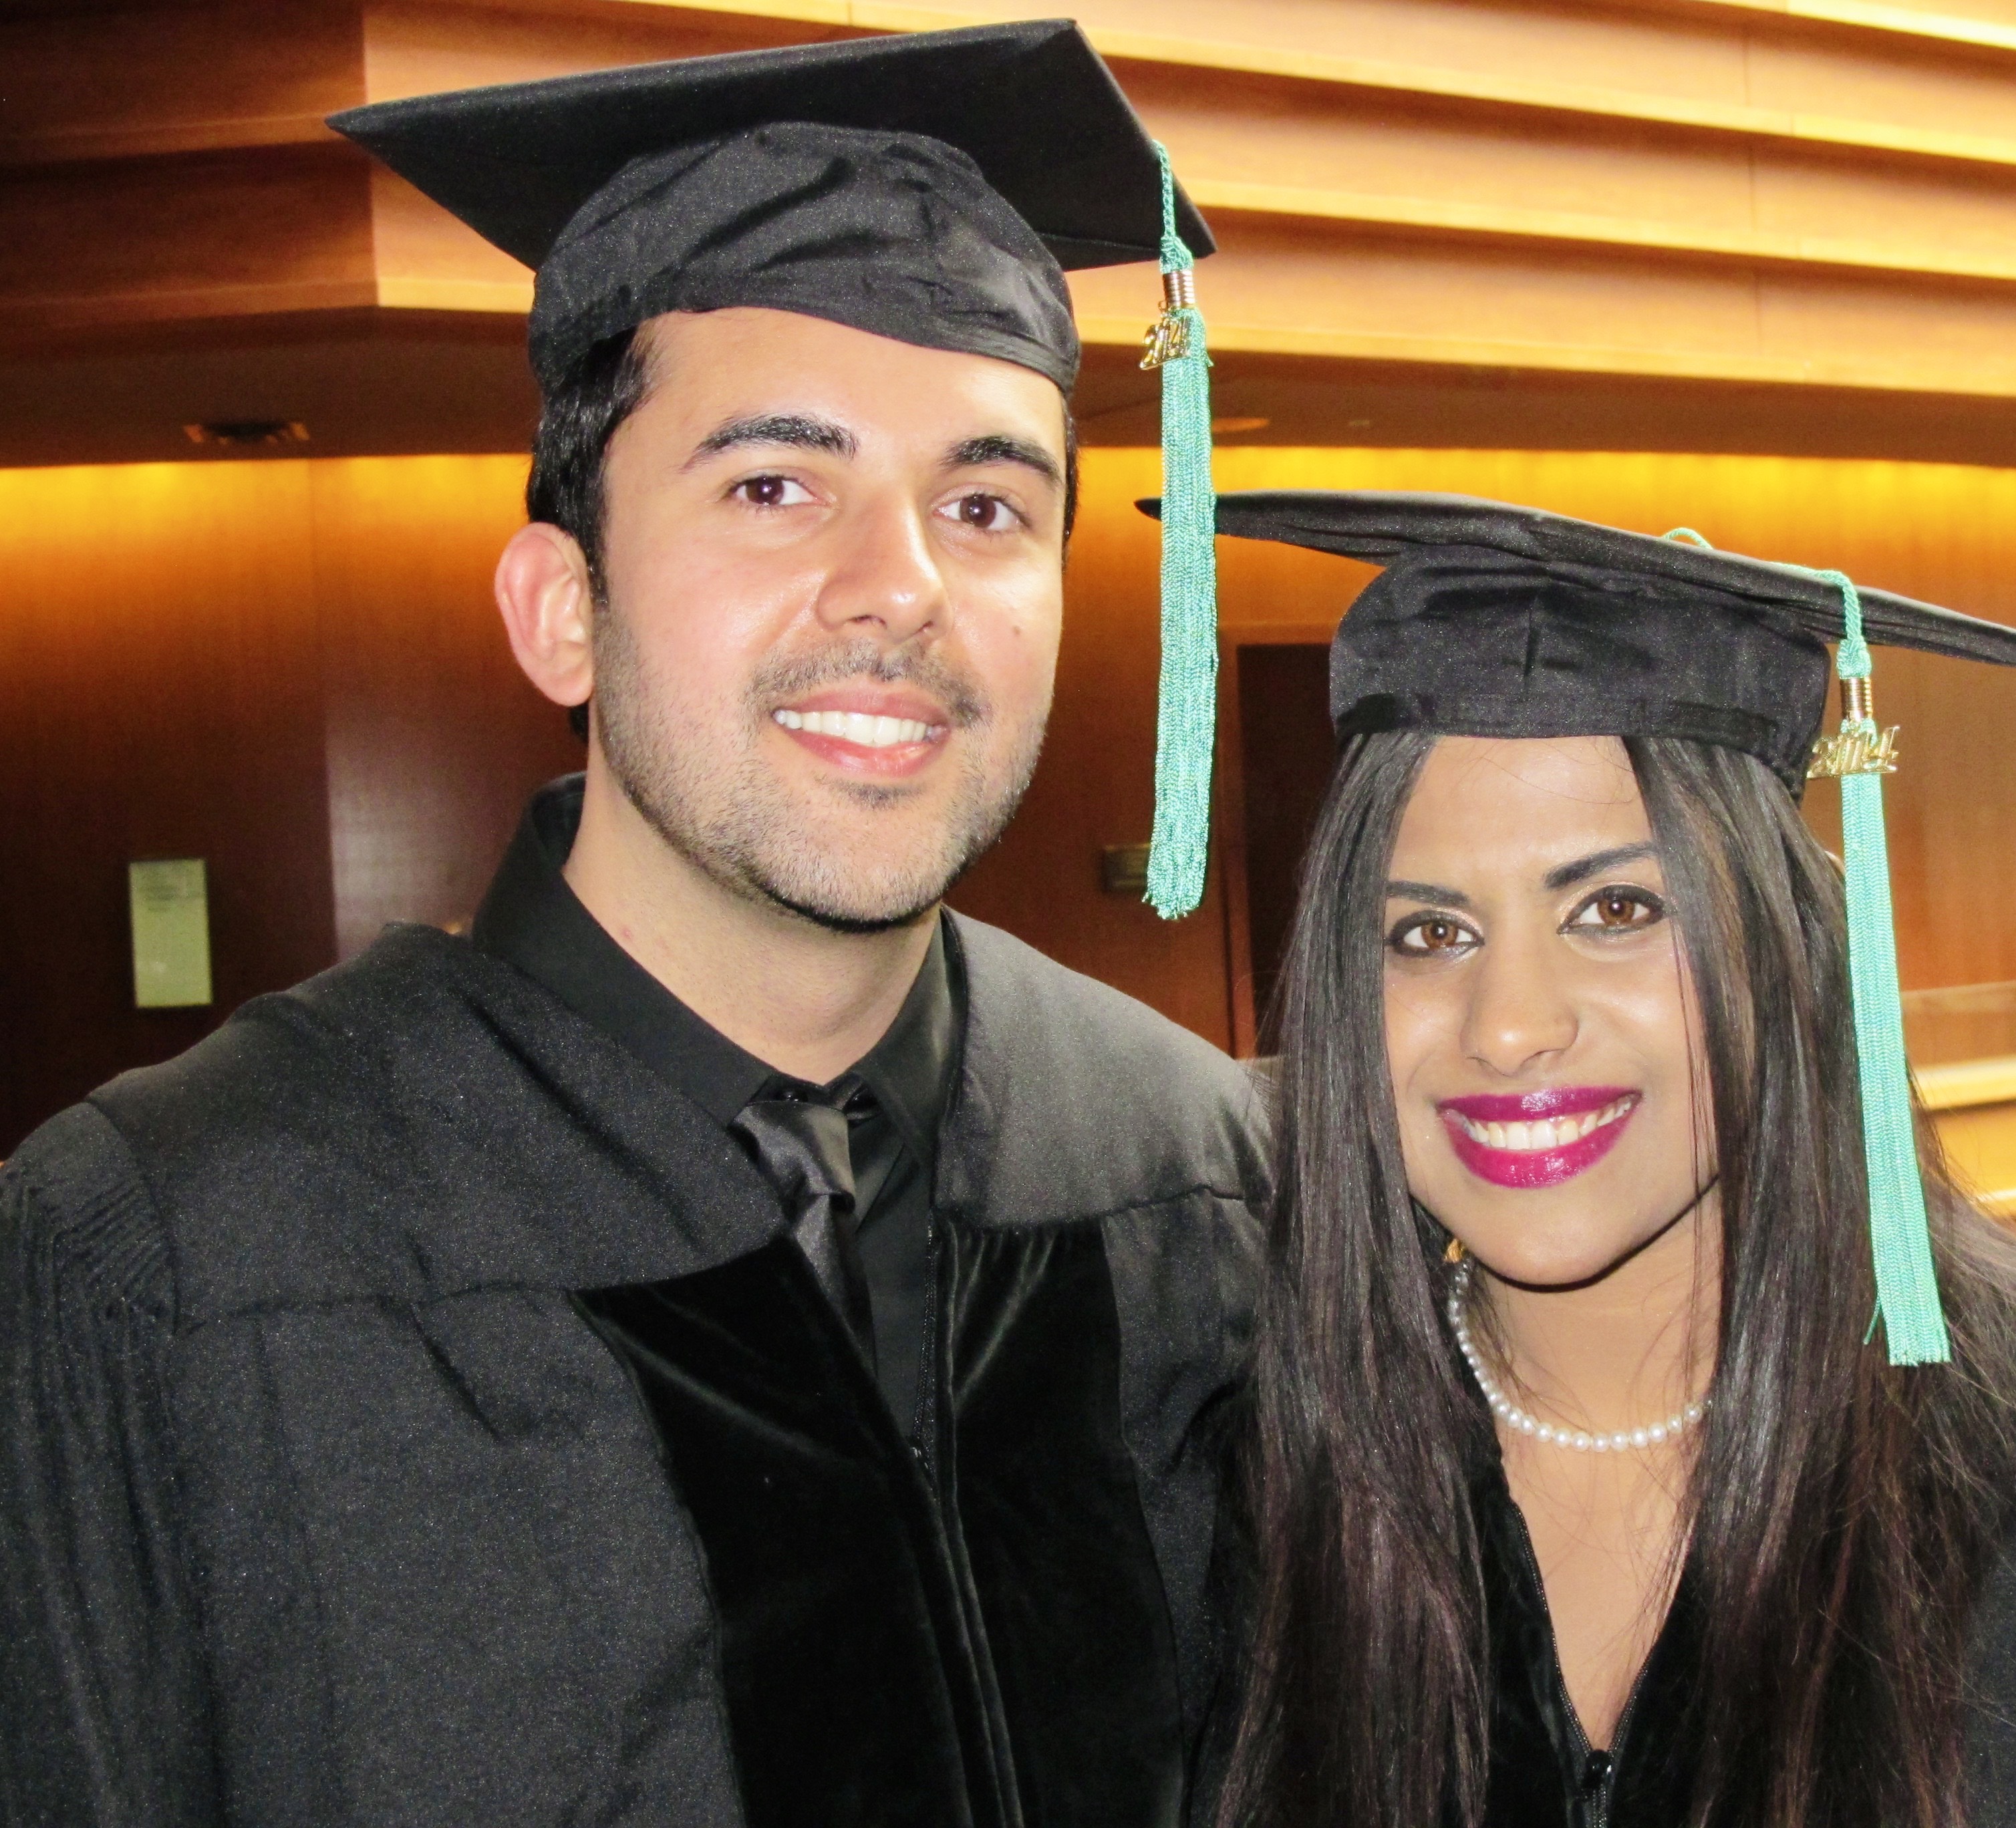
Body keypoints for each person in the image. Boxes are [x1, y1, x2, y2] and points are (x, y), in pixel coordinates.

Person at [0, 27, 1263, 1826]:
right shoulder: (172, 1249)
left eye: (987, 505)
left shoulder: (1189, 1165)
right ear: (560, 611)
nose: (900, 584)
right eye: (774, 486)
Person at [1191, 492, 2016, 1828]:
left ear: (1789, 948)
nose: (1507, 1027)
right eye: (1425, 936)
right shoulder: (1257, 1485)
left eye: (1619, 909)